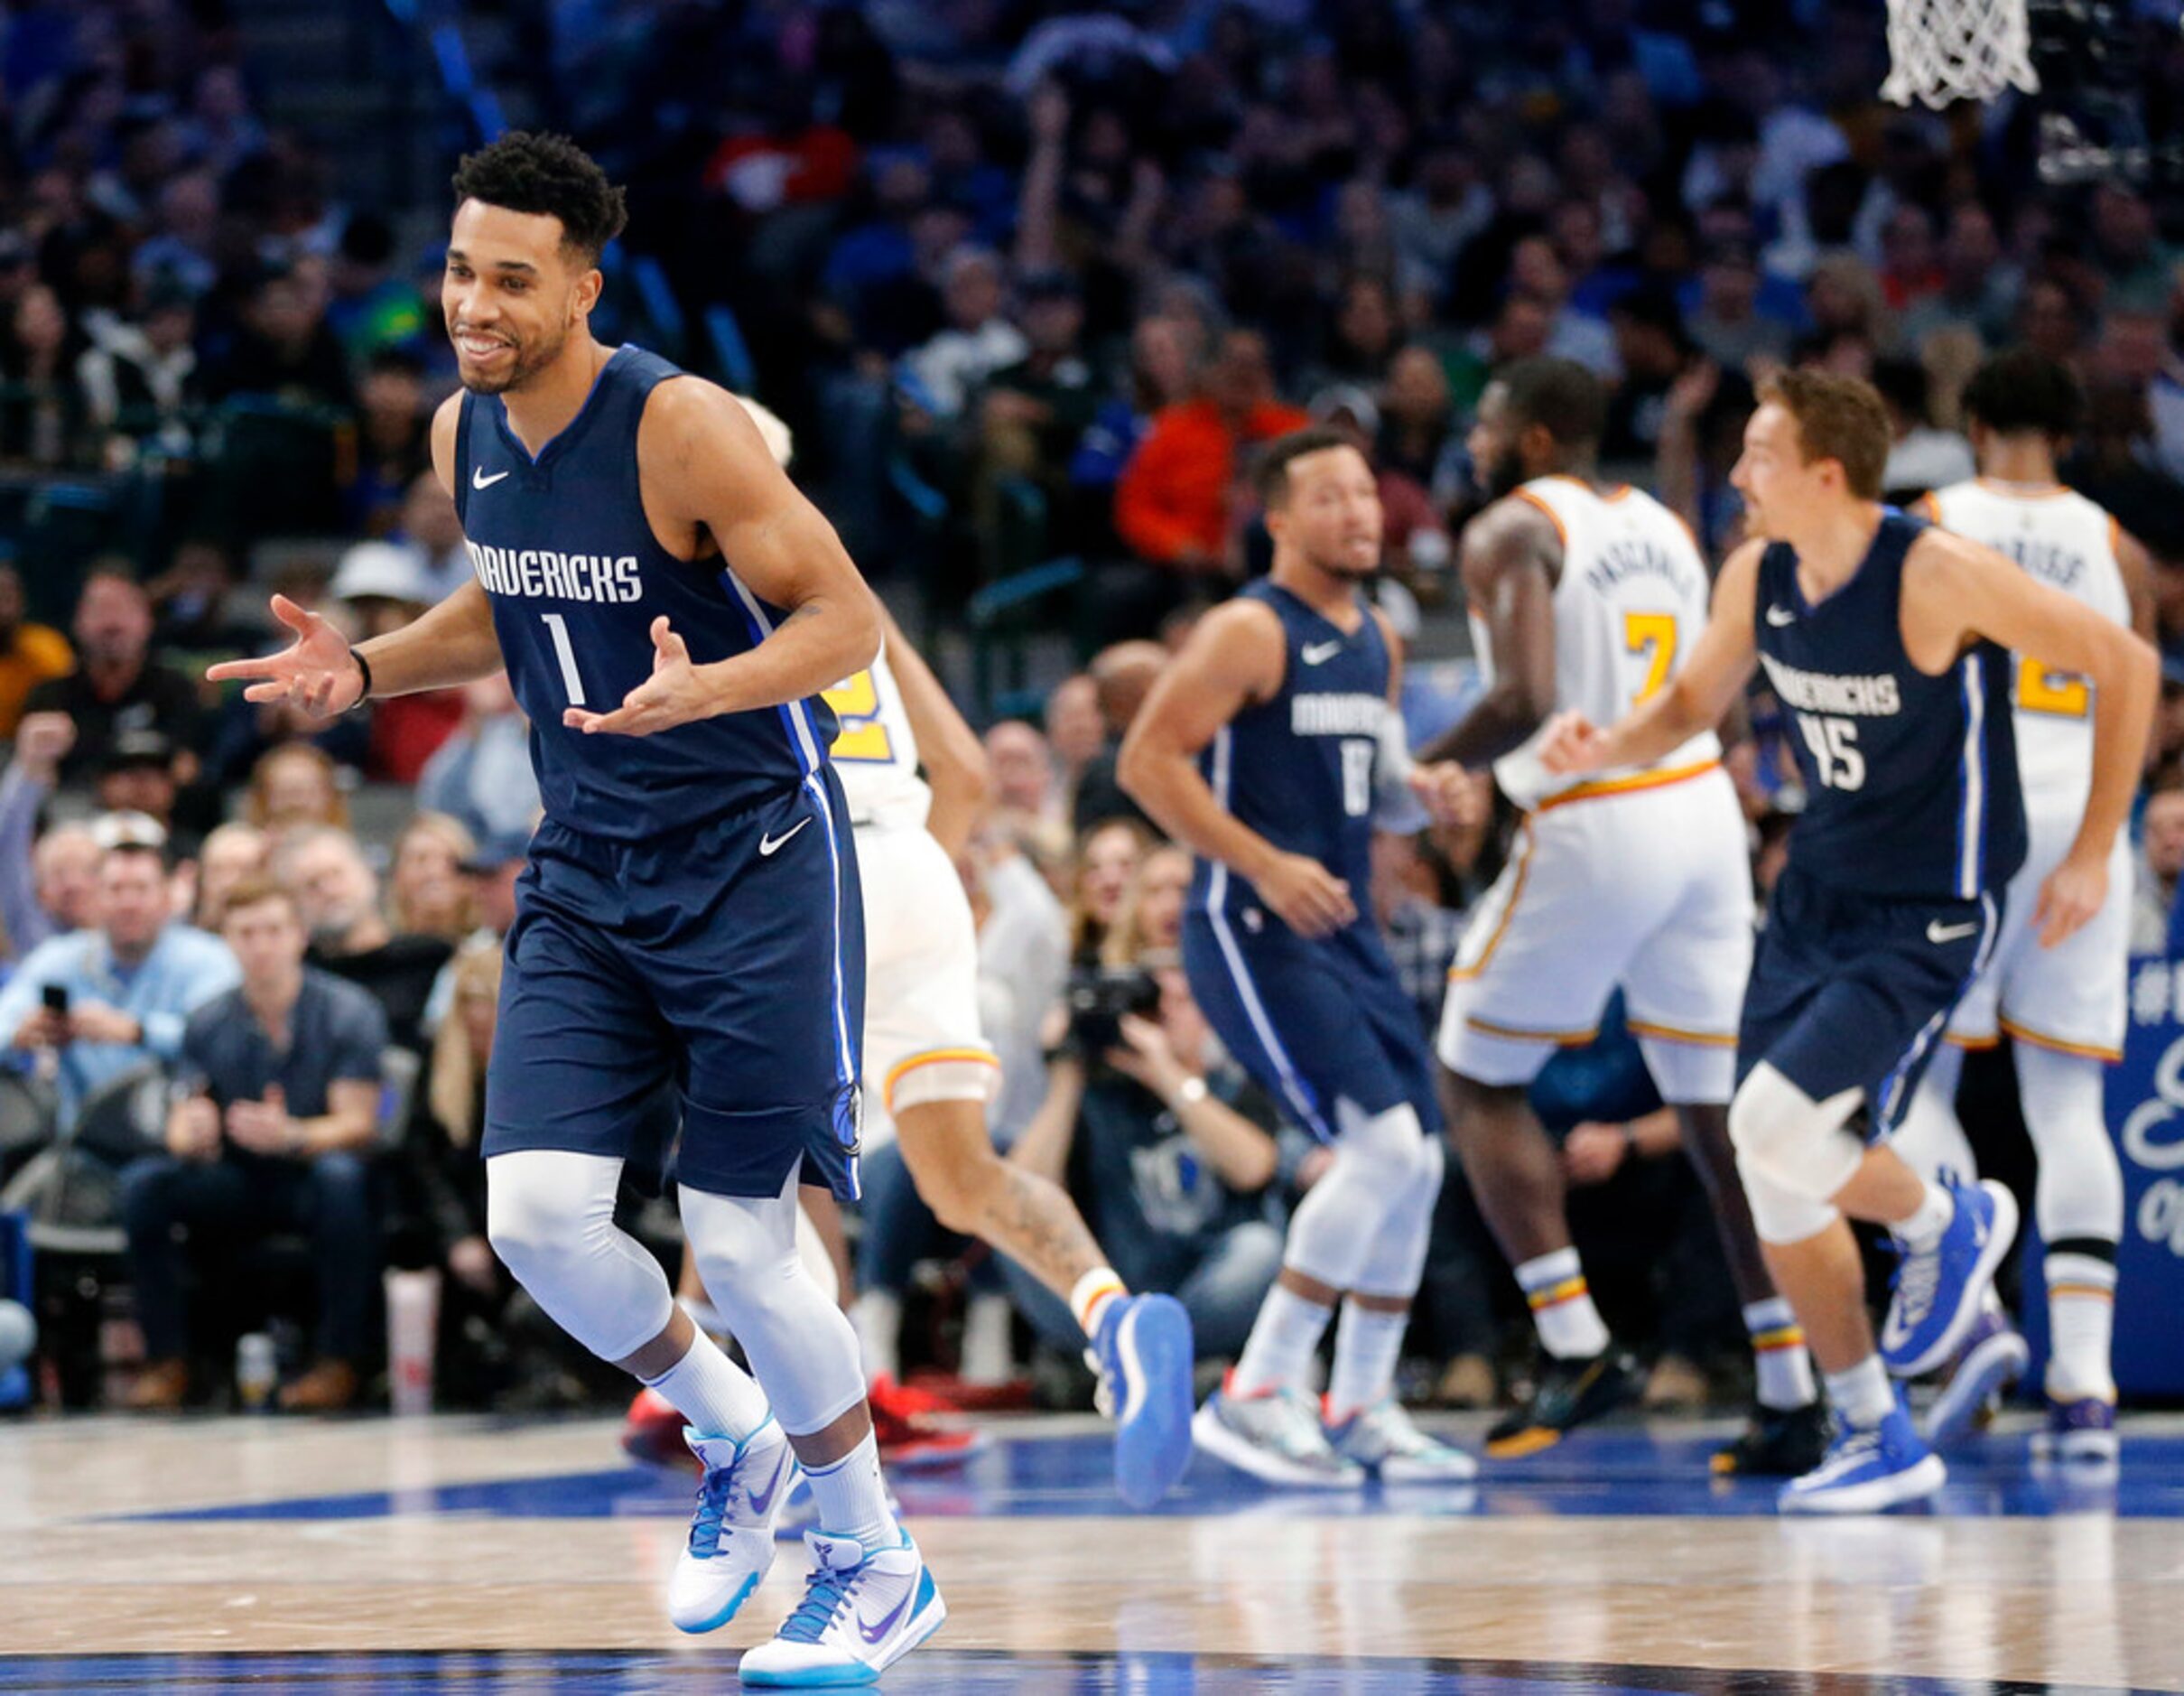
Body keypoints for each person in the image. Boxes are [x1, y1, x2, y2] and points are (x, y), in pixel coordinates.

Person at [207, 133, 942, 1684]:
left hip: (751, 858)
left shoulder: (683, 425)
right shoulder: (465, 426)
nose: (474, 302)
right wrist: (368, 665)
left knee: (744, 1248)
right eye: (462, 269)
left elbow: (843, 615)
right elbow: (503, 596)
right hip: (587, 868)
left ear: (583, 288)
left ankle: (875, 1558)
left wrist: (710, 690)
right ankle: (734, 1433)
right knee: (535, 1216)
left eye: (510, 278)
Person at [1538, 369, 2156, 1513]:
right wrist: (1605, 744)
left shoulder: (1934, 571)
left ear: (1826, 473)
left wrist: (2088, 852)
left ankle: (1946, 1218)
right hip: (1817, 895)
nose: (1735, 477)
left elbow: (2123, 665)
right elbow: (1688, 704)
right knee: (1771, 1179)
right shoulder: (1756, 572)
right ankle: (1876, 1431)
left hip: (1926, 910)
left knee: (1776, 1124)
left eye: (1758, 456)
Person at [624, 398, 1194, 1506]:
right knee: (960, 1175)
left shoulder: (681, 592)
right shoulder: (850, 599)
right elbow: (970, 774)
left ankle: (807, 1451)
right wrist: (898, 894)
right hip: (916, 869)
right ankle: (1109, 1318)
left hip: (810, 873)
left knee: (759, 1187)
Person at [1417, 359, 1825, 1474]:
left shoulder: (1510, 526)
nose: (1477, 436)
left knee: (1471, 1072)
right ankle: (1790, 1386)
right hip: (1701, 812)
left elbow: (1524, 699)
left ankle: (1574, 1340)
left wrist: (1432, 763)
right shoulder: (1660, 522)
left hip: (1602, 808)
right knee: (1711, 1111)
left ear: (1536, 436)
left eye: (1491, 417)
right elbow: (1715, 688)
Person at [1120, 426, 1477, 1487]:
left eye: (1367, 493)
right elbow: (1148, 763)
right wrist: (1263, 864)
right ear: (1278, 520)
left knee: (1414, 1161)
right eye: (1329, 497)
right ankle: (1260, 1387)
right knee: (1378, 1156)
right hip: (1251, 926)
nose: (1359, 513)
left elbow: (1371, 768)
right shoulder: (1246, 629)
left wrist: (1426, 792)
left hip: (1344, 927)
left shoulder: (1375, 635)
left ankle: (1361, 1404)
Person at [1893, 349, 2154, 1466]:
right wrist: (2101, 844)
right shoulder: (2116, 544)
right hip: (2085, 811)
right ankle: (2084, 1383)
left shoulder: (1930, 518)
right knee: (2068, 1104)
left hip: (1968, 811)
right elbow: (2141, 691)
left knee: (1911, 1076)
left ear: (1973, 419)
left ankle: (1975, 1313)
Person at [119, 879, 386, 1412]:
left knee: (343, 1178)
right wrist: (191, 1135)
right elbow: (182, 1113)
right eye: (246, 933)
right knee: (143, 1186)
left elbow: (359, 1124)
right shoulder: (208, 1020)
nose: (260, 945)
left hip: (309, 1172)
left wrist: (292, 1134)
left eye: (272, 931)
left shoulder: (347, 1010)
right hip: (239, 1175)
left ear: (299, 937)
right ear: (228, 941)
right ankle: (168, 1360)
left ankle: (339, 1361)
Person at [0, 823, 238, 1133]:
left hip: (180, 1142)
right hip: (84, 1144)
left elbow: (227, 1041)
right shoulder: (59, 959)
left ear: (167, 897)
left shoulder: (209, 958)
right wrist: (21, 1033)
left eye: (141, 889)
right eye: (115, 889)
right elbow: (4, 1020)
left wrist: (137, 1031)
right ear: (96, 897)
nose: (128, 903)